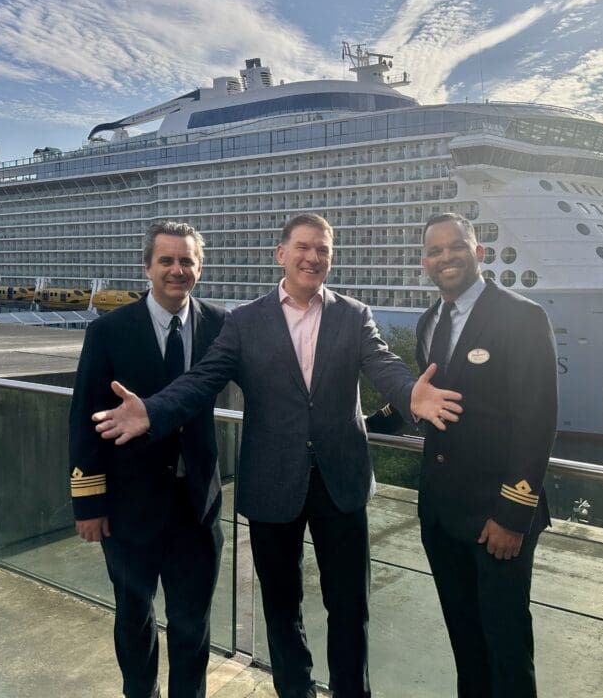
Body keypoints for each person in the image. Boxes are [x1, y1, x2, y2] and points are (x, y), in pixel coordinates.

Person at [92, 213, 462, 698]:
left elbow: (382, 364)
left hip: (341, 483)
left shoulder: (353, 314)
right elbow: (202, 380)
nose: (313, 257)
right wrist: (153, 412)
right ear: (281, 254)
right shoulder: (245, 322)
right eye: (304, 247)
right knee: (282, 611)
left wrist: (412, 392)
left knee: (350, 609)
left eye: (323, 250)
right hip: (272, 484)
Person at [367, 213, 558, 698]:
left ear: (478, 253)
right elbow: (430, 395)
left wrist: (514, 514)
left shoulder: (522, 316)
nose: (445, 257)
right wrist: (371, 424)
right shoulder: (432, 320)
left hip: (496, 516)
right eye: (435, 251)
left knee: (507, 646)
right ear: (425, 263)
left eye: (456, 247)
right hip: (442, 513)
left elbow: (537, 422)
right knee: (465, 642)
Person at [69, 220, 227, 698]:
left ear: (199, 267)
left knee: (191, 623)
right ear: (148, 266)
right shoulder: (109, 330)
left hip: (197, 505)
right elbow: (83, 419)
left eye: (187, 261)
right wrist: (88, 503)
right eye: (167, 261)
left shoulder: (221, 326)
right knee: (135, 618)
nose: (177, 270)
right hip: (127, 506)